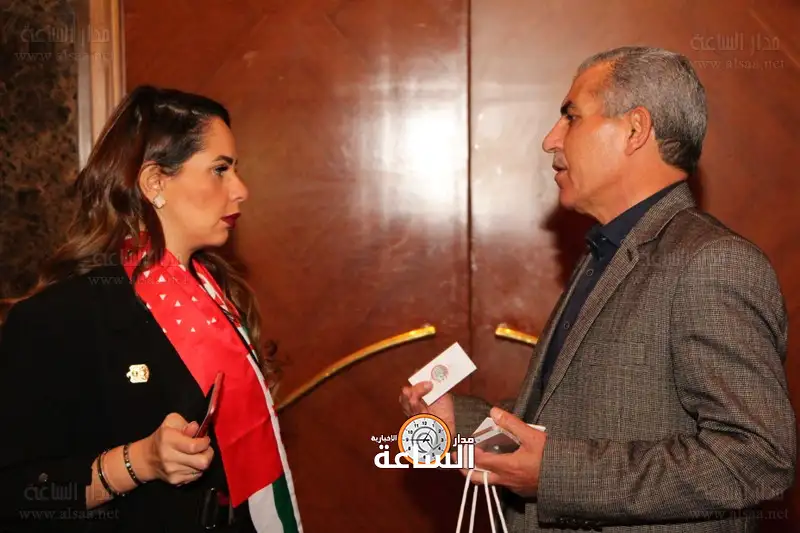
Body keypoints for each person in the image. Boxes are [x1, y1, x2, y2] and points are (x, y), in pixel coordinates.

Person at [401, 46, 795, 532]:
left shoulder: (712, 262)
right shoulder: (605, 252)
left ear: (635, 129)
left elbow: (756, 458)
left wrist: (555, 474)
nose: (550, 140)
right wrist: (456, 422)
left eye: (571, 117)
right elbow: (563, 425)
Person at [0, 86, 303, 532]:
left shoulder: (219, 292)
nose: (241, 190)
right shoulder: (61, 316)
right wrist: (139, 461)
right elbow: (15, 492)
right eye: (220, 170)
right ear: (155, 183)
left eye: (235, 169)